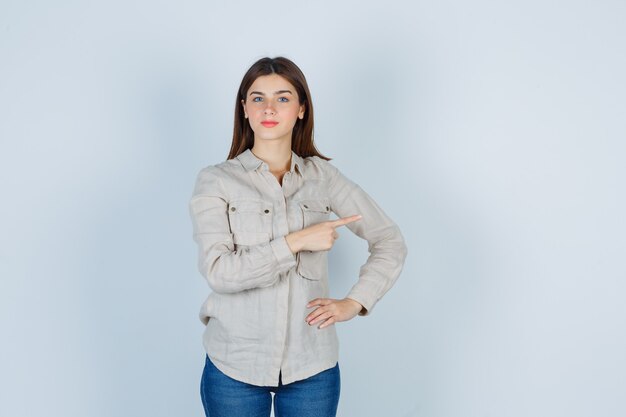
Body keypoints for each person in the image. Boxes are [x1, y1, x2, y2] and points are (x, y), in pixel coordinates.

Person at [188, 56, 408, 417]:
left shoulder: (323, 178)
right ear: (244, 108)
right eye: (257, 98)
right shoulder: (216, 181)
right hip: (234, 365)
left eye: (283, 98)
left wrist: (354, 303)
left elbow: (389, 240)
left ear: (302, 108)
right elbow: (219, 272)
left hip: (312, 366)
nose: (269, 108)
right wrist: (296, 241)